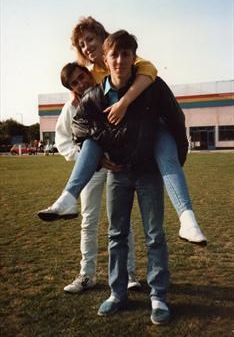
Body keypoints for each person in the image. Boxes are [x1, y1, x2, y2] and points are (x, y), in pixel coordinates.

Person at [38, 16, 207, 245]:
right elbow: (81, 117)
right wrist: (76, 98)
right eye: (82, 45)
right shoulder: (89, 76)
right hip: (115, 145)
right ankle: (68, 197)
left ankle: (188, 220)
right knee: (110, 222)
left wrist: (124, 102)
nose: (87, 47)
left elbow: (150, 70)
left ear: (103, 37)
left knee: (166, 163)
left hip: (149, 129)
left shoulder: (128, 61)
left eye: (90, 39)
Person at [73, 30, 171, 323]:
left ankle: (158, 297)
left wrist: (173, 156)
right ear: (105, 58)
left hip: (148, 173)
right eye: (113, 55)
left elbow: (174, 118)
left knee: (155, 236)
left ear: (133, 57)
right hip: (118, 174)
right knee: (117, 235)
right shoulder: (95, 94)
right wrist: (99, 157)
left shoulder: (150, 87)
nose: (119, 60)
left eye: (125, 54)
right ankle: (117, 293)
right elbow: (79, 127)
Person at [47, 61, 141, 292]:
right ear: (70, 87)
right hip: (92, 170)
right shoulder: (70, 108)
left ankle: (129, 274)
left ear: (89, 73)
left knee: (121, 222)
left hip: (117, 167)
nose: (81, 83)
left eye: (82, 76)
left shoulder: (108, 93)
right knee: (89, 221)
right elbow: (63, 140)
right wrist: (90, 159)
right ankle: (86, 275)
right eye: (75, 83)